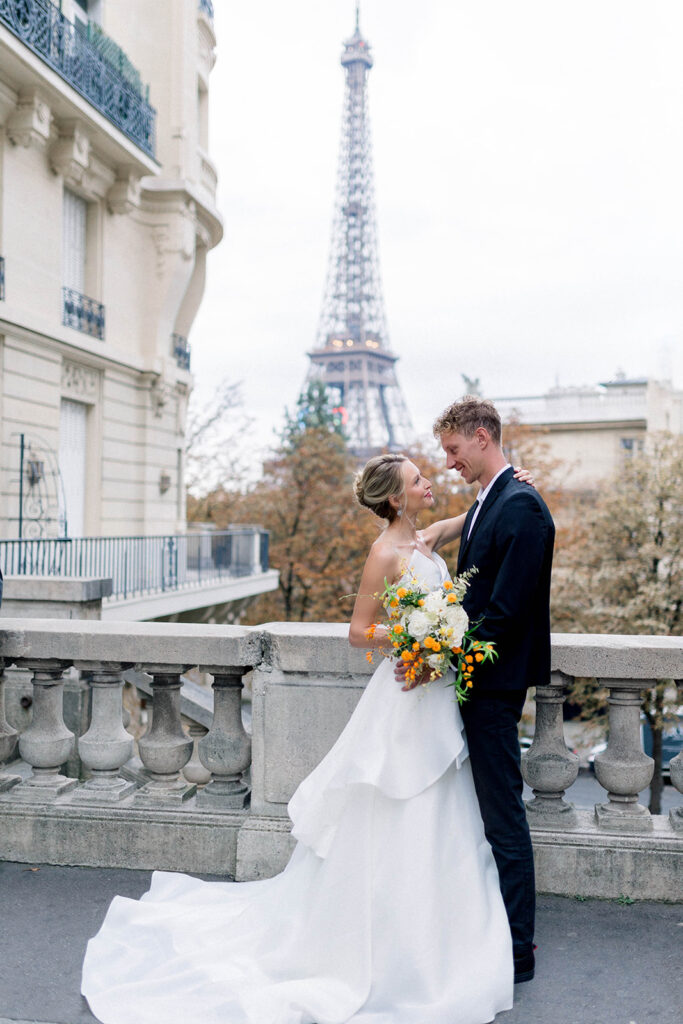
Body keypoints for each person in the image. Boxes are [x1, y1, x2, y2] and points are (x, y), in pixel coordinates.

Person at [81, 452, 534, 1024]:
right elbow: (357, 631)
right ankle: (386, 939)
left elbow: (474, 515)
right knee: (395, 806)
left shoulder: (429, 540)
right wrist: (417, 640)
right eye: (417, 480)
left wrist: (510, 477)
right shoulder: (385, 553)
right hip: (407, 694)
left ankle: (438, 928)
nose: (428, 483)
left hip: (437, 696)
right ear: (395, 498)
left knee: (443, 810)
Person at [429, 396, 555, 985]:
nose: (449, 462)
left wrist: (436, 651)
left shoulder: (523, 506)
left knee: (503, 815)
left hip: (493, 686)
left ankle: (518, 951)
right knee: (485, 812)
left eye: (453, 450)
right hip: (474, 680)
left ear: (481, 437)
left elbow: (503, 614)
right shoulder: (491, 499)